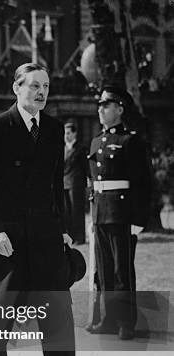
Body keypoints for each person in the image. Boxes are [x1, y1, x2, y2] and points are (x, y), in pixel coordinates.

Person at [0, 63, 99, 356]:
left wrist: (63, 228)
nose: (41, 92)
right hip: (7, 236)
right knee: (1, 305)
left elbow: (56, 185)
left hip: (45, 233)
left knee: (57, 306)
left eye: (45, 86)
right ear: (17, 88)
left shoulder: (54, 129)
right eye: (33, 86)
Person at [85, 84, 151, 340]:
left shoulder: (130, 141)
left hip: (122, 214)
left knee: (122, 270)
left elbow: (142, 182)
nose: (101, 110)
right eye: (100, 106)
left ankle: (126, 322)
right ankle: (109, 319)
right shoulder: (96, 141)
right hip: (101, 213)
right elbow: (93, 182)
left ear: (120, 109)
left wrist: (138, 219)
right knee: (104, 269)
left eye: (107, 105)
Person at [63, 121, 88, 244]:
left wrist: (86, 181)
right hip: (64, 183)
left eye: (68, 133)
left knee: (76, 211)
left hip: (76, 184)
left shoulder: (81, 149)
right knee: (66, 212)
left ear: (74, 134)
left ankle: (80, 238)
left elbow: (85, 167)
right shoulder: (62, 149)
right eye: (64, 133)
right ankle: (70, 237)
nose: (66, 136)